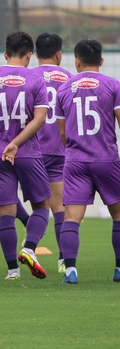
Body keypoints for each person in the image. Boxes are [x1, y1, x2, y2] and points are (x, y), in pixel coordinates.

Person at [0, 31, 50, 281]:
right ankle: (29, 248)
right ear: (29, 55)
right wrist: (17, 143)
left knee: (5, 213)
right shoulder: (35, 79)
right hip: (28, 153)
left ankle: (12, 271)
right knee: (42, 206)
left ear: (5, 53)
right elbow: (40, 117)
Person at [57, 39, 120, 284]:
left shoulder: (64, 89)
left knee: (72, 217)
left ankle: (71, 270)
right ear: (102, 61)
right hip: (106, 159)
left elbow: (62, 133)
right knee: (118, 215)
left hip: (75, 160)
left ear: (77, 61)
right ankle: (118, 269)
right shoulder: (113, 85)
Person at [33, 33, 71, 273]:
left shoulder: (27, 76)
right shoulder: (70, 79)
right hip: (59, 149)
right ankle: (64, 260)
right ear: (59, 54)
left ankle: (21, 256)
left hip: (31, 150)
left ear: (35, 54)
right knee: (59, 206)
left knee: (14, 202)